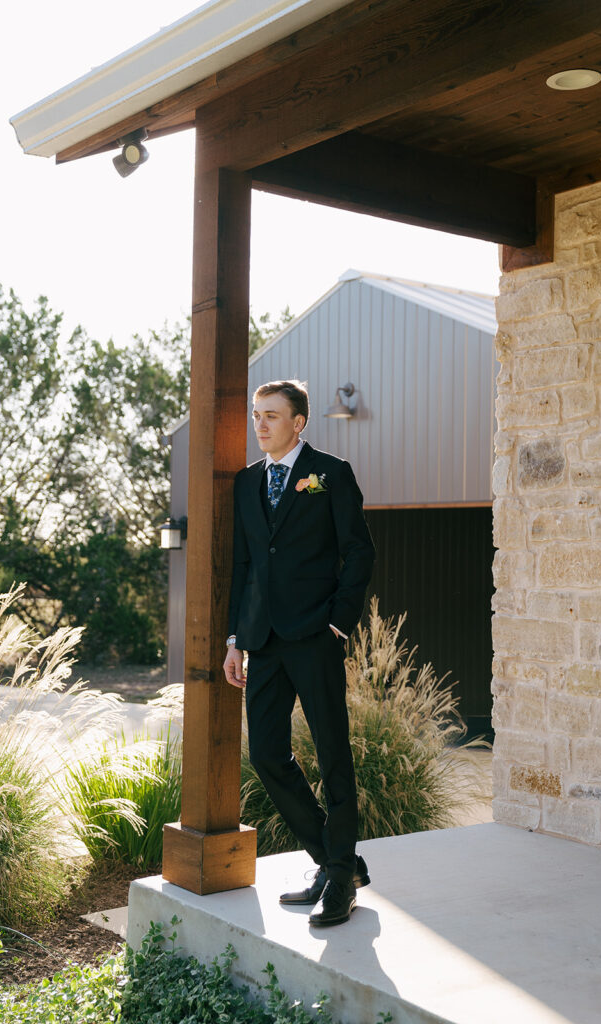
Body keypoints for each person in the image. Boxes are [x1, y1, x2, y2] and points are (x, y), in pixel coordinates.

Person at [223, 379, 375, 926]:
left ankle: (338, 880)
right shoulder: (246, 483)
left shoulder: (330, 474)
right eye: (256, 414)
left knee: (334, 754)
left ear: (299, 422)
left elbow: (359, 550)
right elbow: (245, 566)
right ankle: (337, 862)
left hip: (315, 637)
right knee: (266, 754)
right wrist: (235, 639)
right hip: (262, 640)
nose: (260, 424)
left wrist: (338, 623)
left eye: (271, 415)